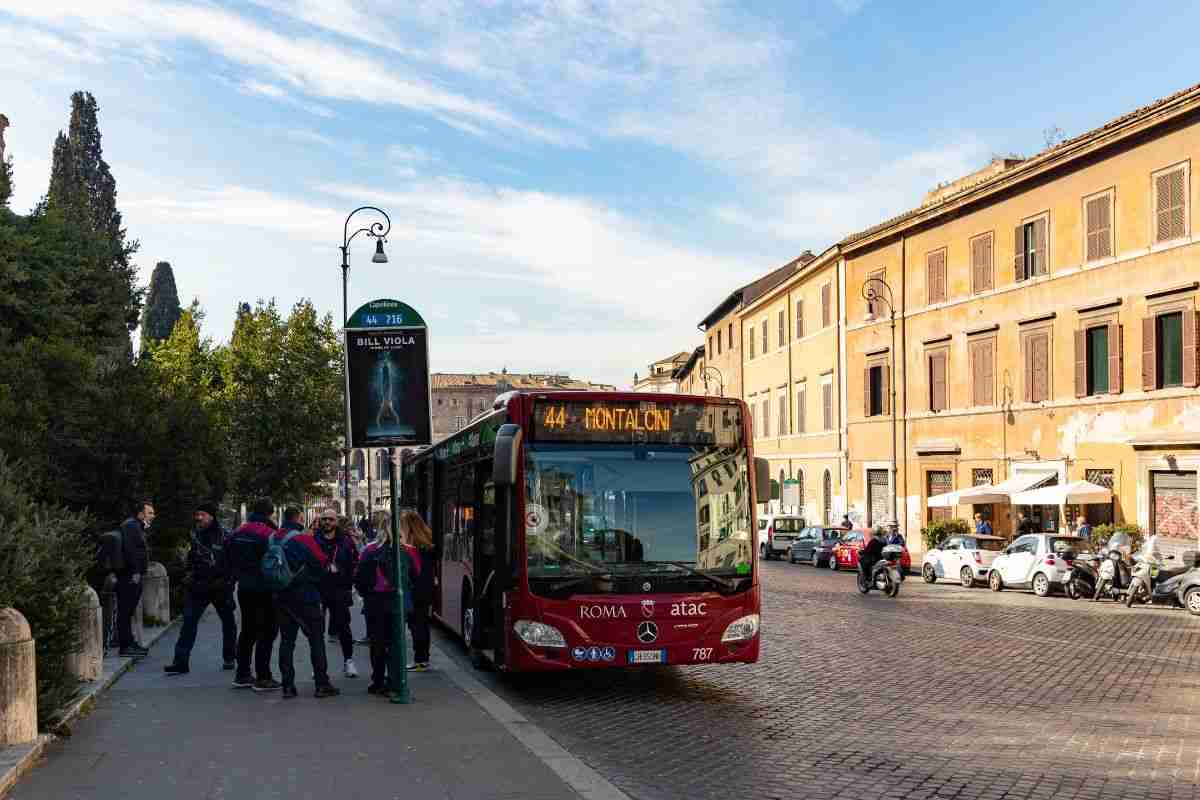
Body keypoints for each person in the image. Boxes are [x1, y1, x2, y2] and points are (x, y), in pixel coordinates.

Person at [164, 502, 238, 675]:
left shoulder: (225, 536)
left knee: (228, 623)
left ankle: (229, 657)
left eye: (202, 514)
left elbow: (234, 563)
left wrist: (228, 582)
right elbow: (191, 559)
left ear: (211, 516)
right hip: (199, 587)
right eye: (197, 514)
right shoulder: (195, 535)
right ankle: (180, 662)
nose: (198, 518)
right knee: (189, 623)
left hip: (220, 587)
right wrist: (188, 575)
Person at [273, 521, 339, 699]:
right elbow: (321, 561)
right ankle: (321, 684)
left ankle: (287, 686)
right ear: (300, 519)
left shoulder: (273, 538)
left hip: (282, 596)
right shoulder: (304, 539)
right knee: (316, 640)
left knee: (287, 642)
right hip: (306, 595)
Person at [225, 498, 281, 691]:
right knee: (268, 630)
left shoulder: (238, 532)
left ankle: (242, 674)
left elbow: (227, 558)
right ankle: (263, 676)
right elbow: (275, 561)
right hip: (265, 588)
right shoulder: (269, 534)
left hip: (244, 587)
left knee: (248, 630)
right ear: (270, 513)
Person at [312, 507, 359, 678]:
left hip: (340, 589)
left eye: (330, 519)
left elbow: (354, 562)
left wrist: (346, 577)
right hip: (318, 589)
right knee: (317, 629)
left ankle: (349, 661)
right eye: (324, 519)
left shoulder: (346, 541)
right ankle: (318, 666)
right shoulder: (313, 540)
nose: (327, 522)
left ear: (336, 522)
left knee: (344, 627)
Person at [116, 501, 153, 658]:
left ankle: (130, 643)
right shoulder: (131, 526)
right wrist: (136, 572)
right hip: (130, 575)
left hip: (132, 574)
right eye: (150, 513)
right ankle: (125, 646)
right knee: (125, 611)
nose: (153, 516)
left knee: (128, 611)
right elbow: (130, 550)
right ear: (140, 513)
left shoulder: (135, 526)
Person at [402, 510, 435, 671]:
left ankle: (420, 660)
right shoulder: (427, 543)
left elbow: (412, 570)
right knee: (422, 624)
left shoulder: (412, 546)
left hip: (415, 590)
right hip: (426, 590)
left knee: (416, 625)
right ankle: (423, 659)